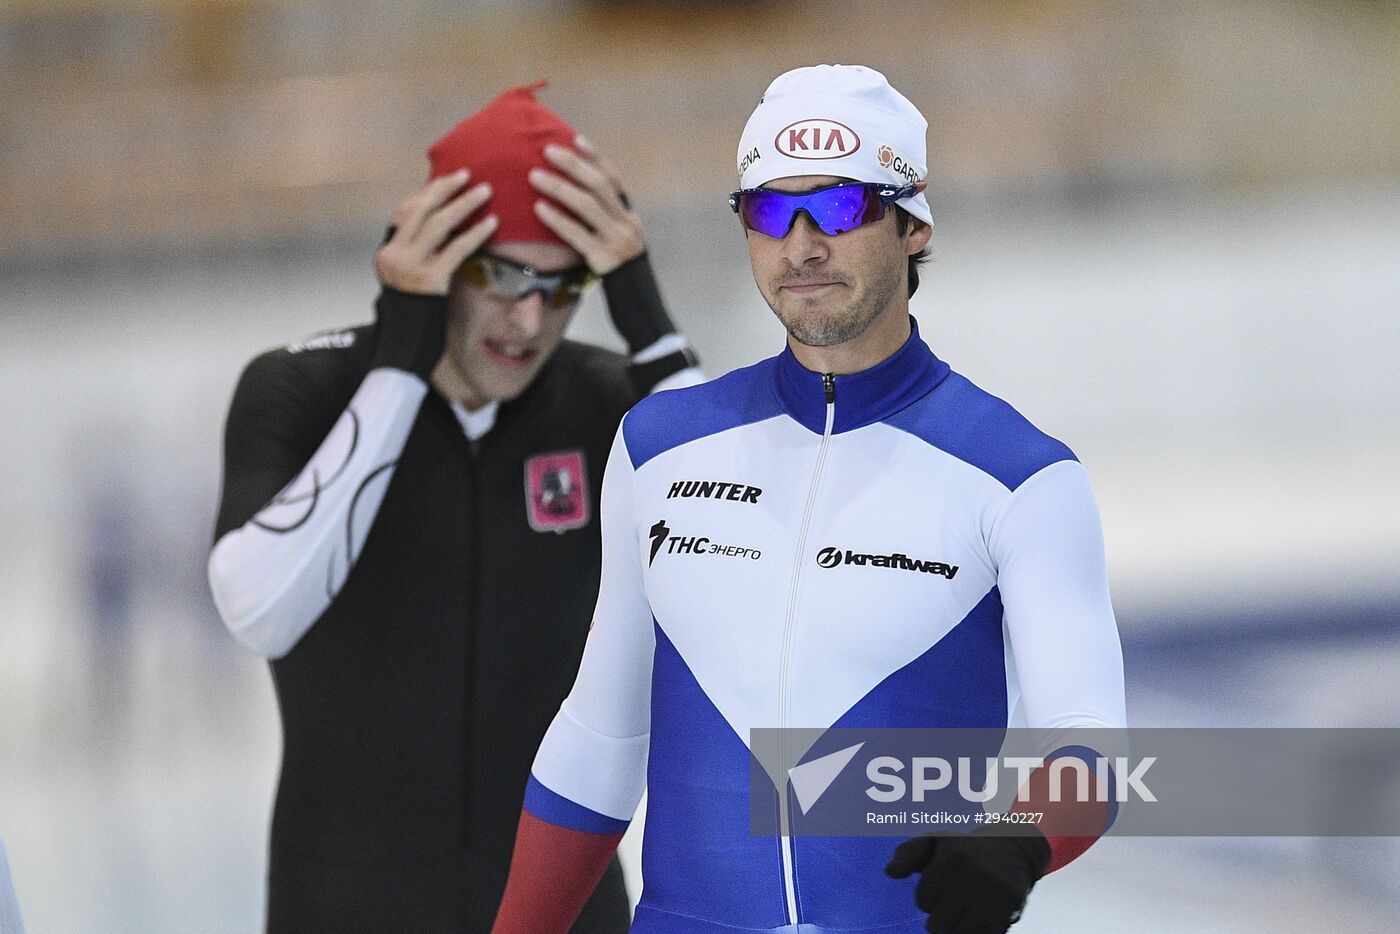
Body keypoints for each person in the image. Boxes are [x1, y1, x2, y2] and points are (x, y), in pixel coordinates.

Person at [488, 65, 1126, 934]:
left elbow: (1088, 748)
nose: (800, 244)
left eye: (836, 208)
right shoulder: (657, 447)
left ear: (912, 223)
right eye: (766, 210)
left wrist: (1020, 839)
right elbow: (600, 741)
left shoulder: (1022, 478)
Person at [207, 82, 701, 933]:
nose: (530, 319)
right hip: (344, 908)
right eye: (502, 277)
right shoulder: (302, 389)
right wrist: (400, 364)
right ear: (433, 263)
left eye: (567, 284)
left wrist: (649, 325)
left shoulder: (602, 403)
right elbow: (258, 613)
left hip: (566, 912)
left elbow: (744, 575)